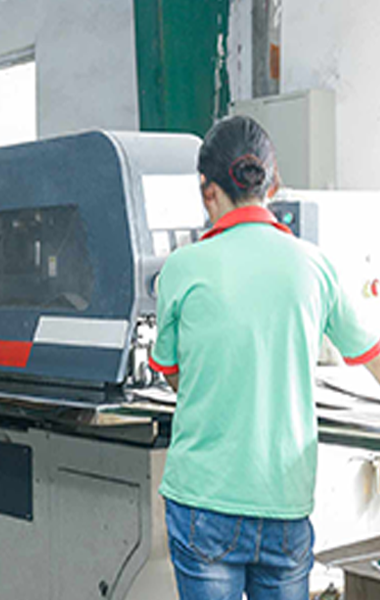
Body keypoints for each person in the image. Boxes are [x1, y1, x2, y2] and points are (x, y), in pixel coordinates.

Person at [149, 116, 380, 600]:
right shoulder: (315, 265)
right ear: (272, 185)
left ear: (207, 189)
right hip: (283, 503)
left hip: (204, 501)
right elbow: (373, 356)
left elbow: (172, 373)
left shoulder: (182, 268)